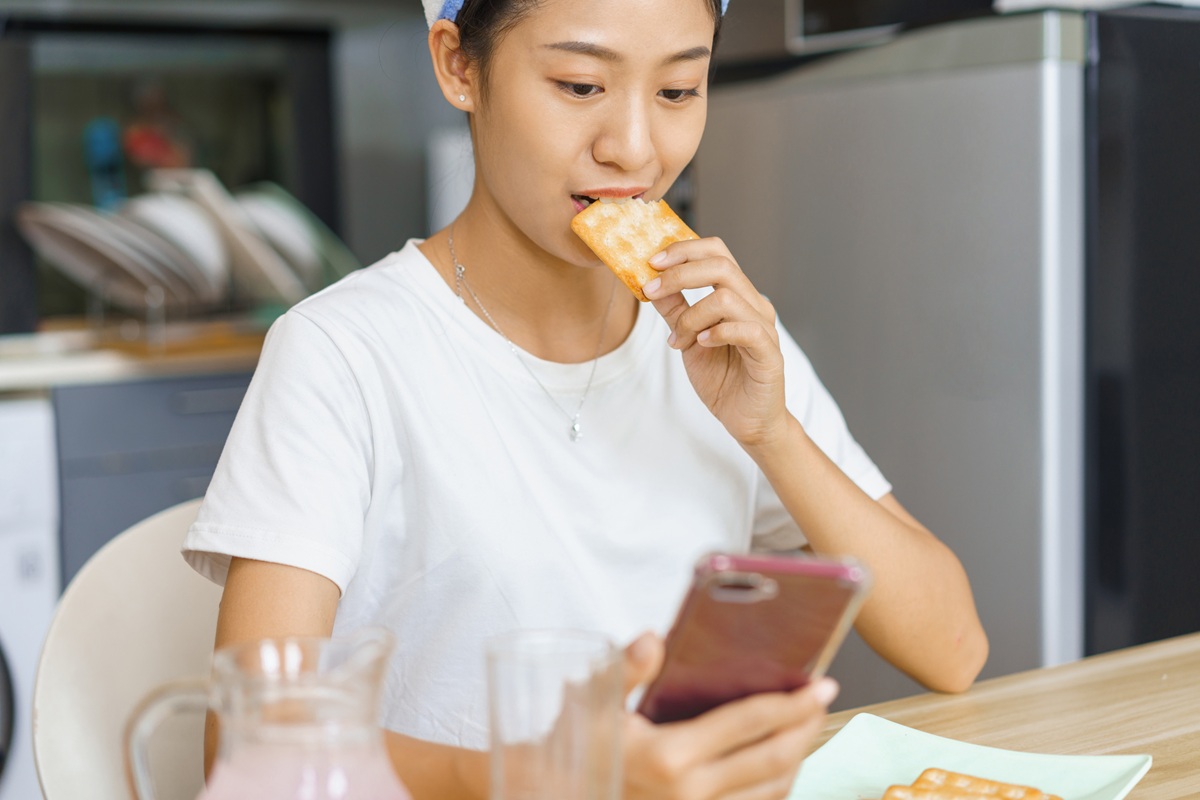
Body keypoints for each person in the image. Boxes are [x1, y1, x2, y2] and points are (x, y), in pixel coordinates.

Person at [183, 0, 989, 797]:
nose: (634, 148)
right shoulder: (342, 352)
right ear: (459, 65)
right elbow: (247, 751)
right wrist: (550, 775)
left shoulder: (712, 334)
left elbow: (953, 648)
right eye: (578, 85)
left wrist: (773, 431)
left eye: (678, 92)